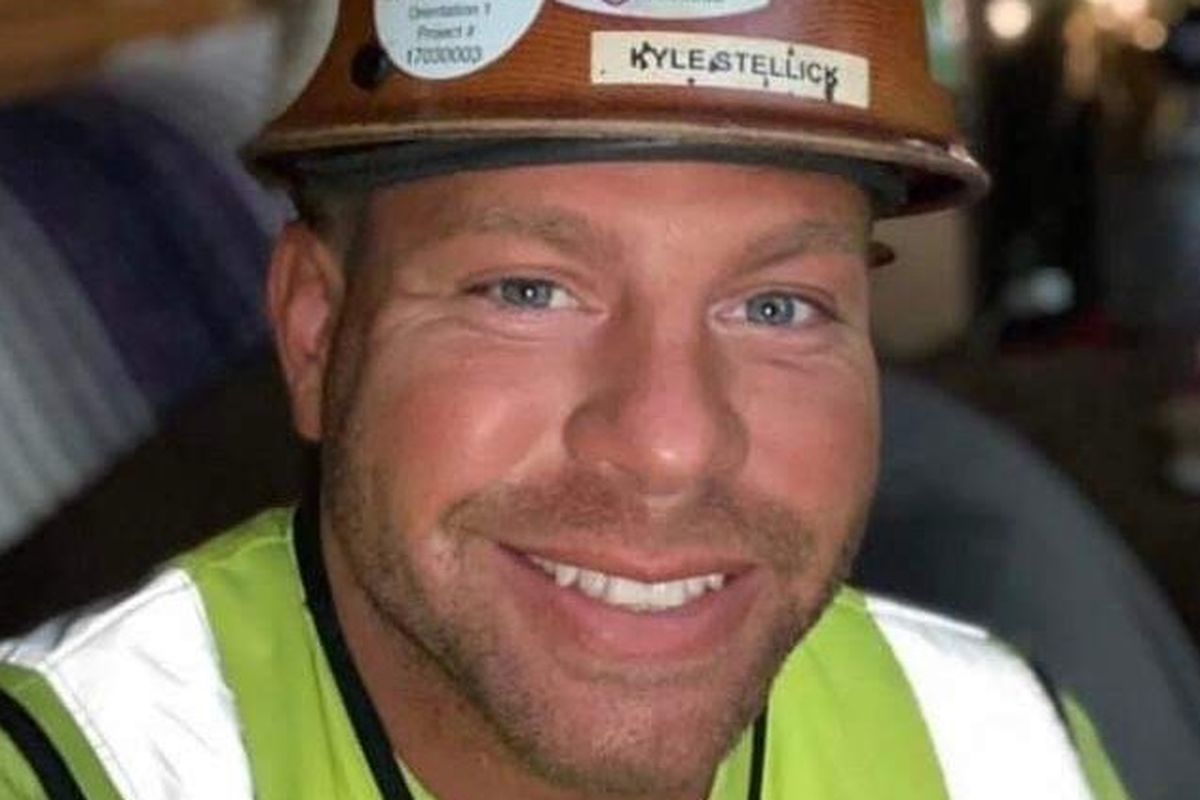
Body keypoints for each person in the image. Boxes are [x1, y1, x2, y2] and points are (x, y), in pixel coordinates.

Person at [0, 2, 1130, 798]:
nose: (671, 445)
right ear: (315, 333)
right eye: (528, 290)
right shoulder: (80, 764)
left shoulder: (1002, 751)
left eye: (777, 305)